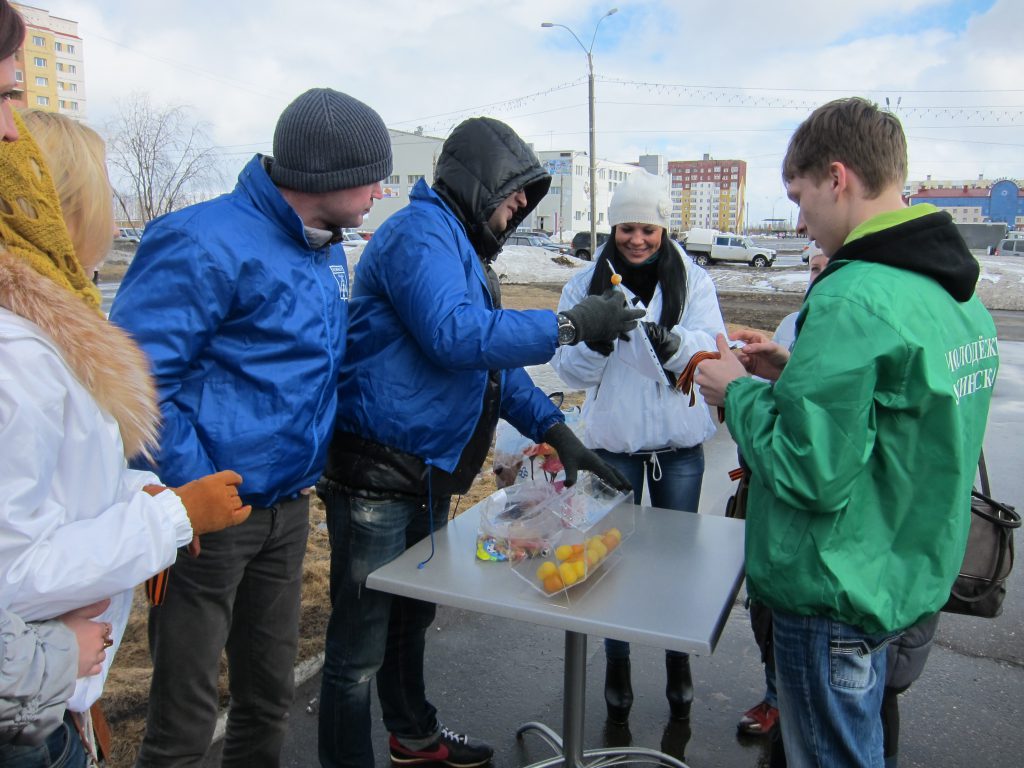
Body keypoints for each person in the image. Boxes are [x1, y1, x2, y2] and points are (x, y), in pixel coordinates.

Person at [316, 115, 642, 768]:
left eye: (529, 196)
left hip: (424, 472)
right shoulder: (419, 234)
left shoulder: (458, 247)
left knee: (409, 625)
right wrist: (571, 324)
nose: (521, 205)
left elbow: (488, 366)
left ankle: (413, 739)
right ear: (476, 178)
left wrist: (556, 433)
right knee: (357, 651)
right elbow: (456, 336)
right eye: (514, 190)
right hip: (376, 474)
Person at [694, 97, 997, 767]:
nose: (800, 221)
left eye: (800, 198)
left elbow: (810, 469)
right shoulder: (954, 291)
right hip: (899, 575)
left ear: (838, 178)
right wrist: (795, 370)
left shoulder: (853, 292)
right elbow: (901, 414)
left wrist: (735, 390)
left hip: (834, 589)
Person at [109, 87, 393, 767]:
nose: (381, 191)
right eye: (371, 176)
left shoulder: (327, 248)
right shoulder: (202, 240)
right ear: (324, 176)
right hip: (208, 519)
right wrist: (197, 488)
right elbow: (136, 381)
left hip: (287, 510)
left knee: (267, 702)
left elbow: (314, 366)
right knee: (184, 720)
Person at [0, 100, 250, 768]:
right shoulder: (17, 359)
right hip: (29, 703)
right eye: (104, 192)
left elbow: (62, 490)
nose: (115, 212)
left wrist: (139, 493)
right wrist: (173, 514)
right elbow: (13, 568)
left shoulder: (50, 334)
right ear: (63, 207)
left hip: (52, 689)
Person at [549, 169, 727, 724]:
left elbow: (711, 348)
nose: (638, 240)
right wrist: (596, 337)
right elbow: (567, 368)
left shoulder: (693, 280)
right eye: (627, 228)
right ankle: (617, 672)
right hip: (614, 446)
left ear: (663, 229)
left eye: (648, 229)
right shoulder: (584, 284)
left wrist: (672, 344)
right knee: (612, 562)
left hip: (678, 450)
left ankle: (678, 667)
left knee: (676, 562)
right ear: (613, 228)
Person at [737, 248, 828, 739]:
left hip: (803, 502)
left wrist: (737, 392)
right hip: (767, 487)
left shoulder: (848, 319)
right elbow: (800, 389)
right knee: (766, 607)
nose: (818, 274)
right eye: (812, 267)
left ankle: (790, 707)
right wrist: (772, 366)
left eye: (826, 265)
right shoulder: (798, 320)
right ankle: (776, 696)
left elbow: (809, 435)